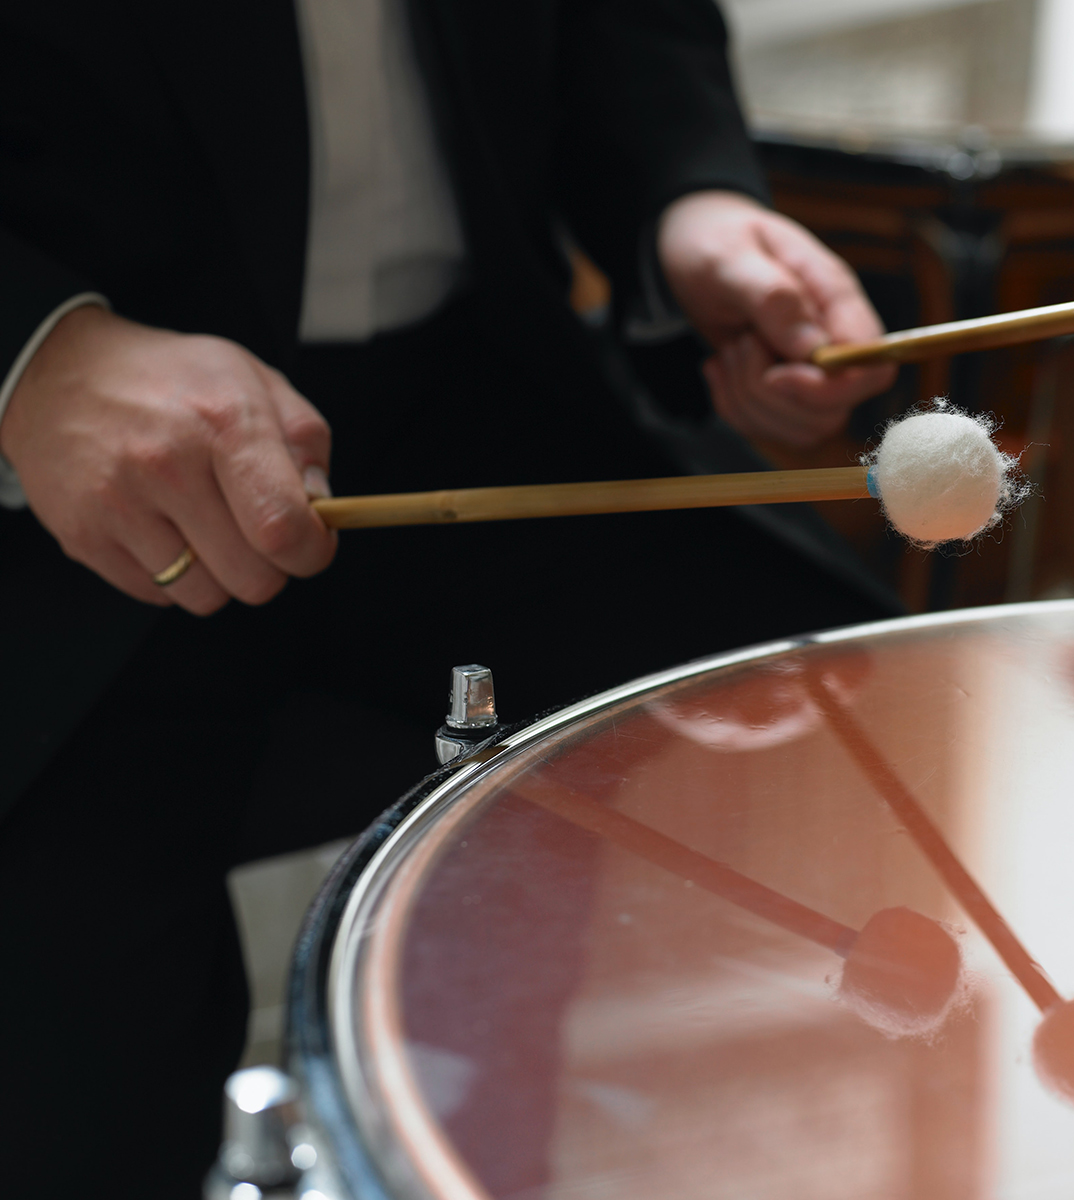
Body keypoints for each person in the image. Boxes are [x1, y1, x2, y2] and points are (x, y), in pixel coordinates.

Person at [0, 1, 897, 1194]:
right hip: (54, 498)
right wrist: (34, 354)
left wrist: (682, 201)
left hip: (481, 396)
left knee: (850, 727)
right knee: (72, 1080)